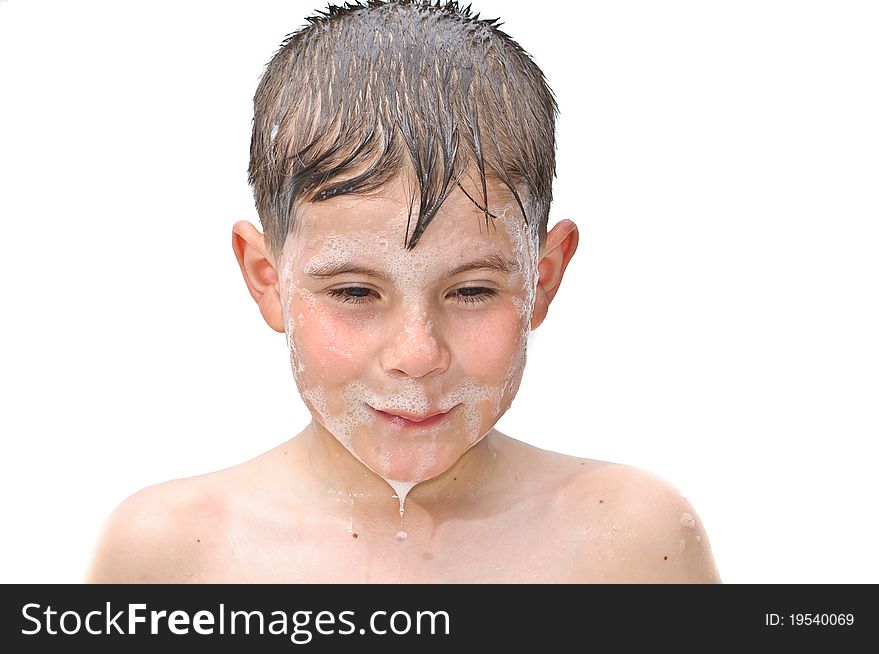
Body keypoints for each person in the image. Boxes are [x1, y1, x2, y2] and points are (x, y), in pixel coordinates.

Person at [84, 0, 721, 583]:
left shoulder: (634, 543)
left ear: (543, 278)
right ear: (267, 279)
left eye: (471, 291)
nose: (417, 355)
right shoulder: (174, 555)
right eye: (356, 293)